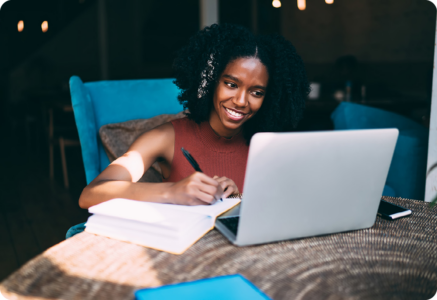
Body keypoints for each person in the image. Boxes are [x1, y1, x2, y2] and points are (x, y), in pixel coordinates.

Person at [78, 23, 309, 210]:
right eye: (231, 84)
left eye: (256, 92)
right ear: (209, 81)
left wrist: (238, 202)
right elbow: (91, 194)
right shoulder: (166, 137)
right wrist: (172, 191)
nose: (241, 101)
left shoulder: (267, 147)